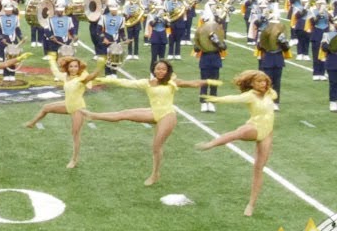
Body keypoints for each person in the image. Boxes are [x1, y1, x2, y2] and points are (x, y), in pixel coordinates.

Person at [86, 60, 219, 186]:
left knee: (156, 147)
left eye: (163, 69)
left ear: (168, 71)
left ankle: (155, 174)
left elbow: (193, 83)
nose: (160, 71)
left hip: (167, 115)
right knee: (123, 114)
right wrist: (104, 79)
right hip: (153, 112)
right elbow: (125, 82)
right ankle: (93, 115)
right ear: (154, 70)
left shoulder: (172, 82)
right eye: (158, 69)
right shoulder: (147, 82)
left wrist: (208, 81)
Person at [194, 70, 278, 217]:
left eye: (264, 81)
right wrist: (216, 99)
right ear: (252, 83)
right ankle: (211, 144)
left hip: (267, 133)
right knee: (237, 133)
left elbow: (272, 95)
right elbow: (233, 98)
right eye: (259, 81)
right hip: (255, 127)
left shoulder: (271, 93)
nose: (263, 84)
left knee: (258, 169)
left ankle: (251, 204)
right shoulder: (249, 96)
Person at [24, 55, 99, 169]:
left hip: (78, 108)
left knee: (75, 134)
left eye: (76, 66)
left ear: (79, 68)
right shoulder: (65, 76)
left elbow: (92, 76)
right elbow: (55, 71)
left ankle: (74, 160)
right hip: (67, 104)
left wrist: (101, 65)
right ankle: (32, 123)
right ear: (67, 68)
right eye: (71, 66)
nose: (73, 69)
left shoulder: (81, 79)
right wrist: (51, 60)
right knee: (46, 107)